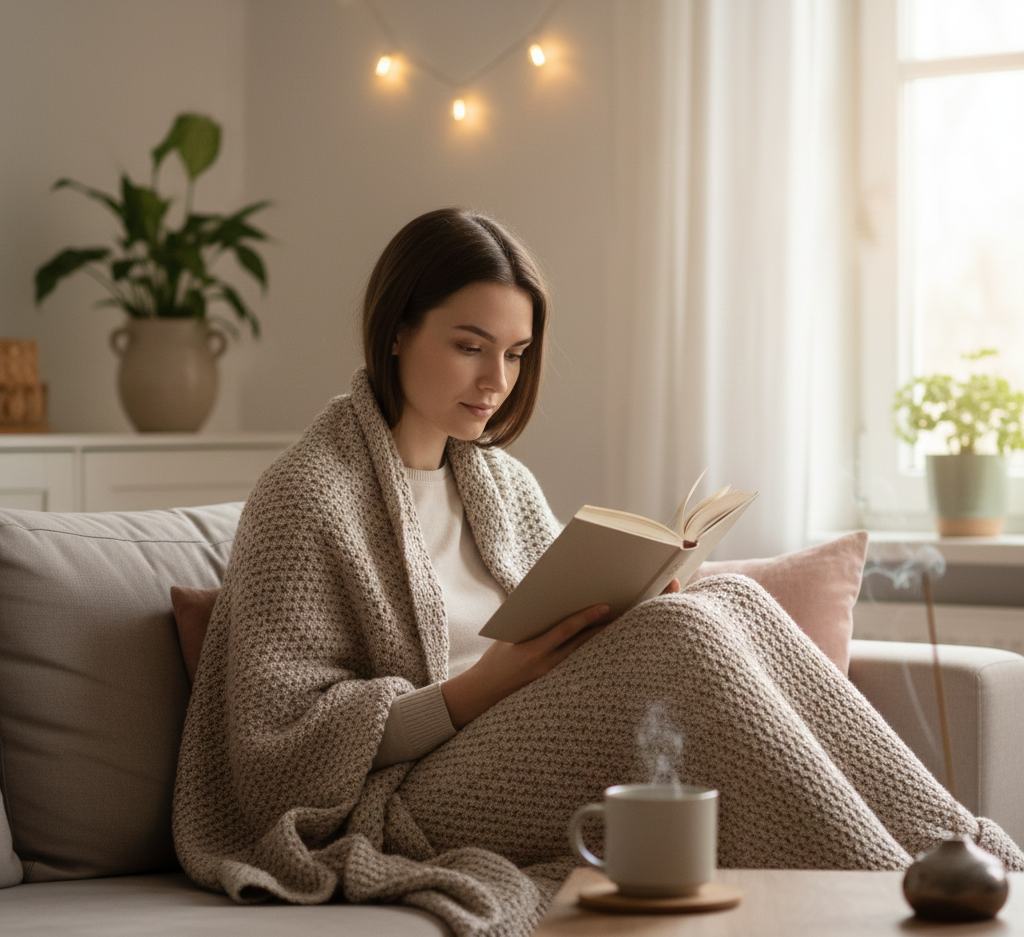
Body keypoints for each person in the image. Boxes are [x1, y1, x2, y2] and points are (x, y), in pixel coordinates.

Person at [173, 208, 1024, 937]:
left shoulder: (500, 480)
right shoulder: (306, 494)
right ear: (397, 328)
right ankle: (888, 890)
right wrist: (479, 687)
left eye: (514, 353)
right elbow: (274, 746)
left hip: (510, 742)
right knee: (680, 634)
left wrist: (634, 598)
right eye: (470, 347)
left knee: (723, 598)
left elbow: (575, 631)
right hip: (406, 798)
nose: (495, 382)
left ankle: (964, 852)